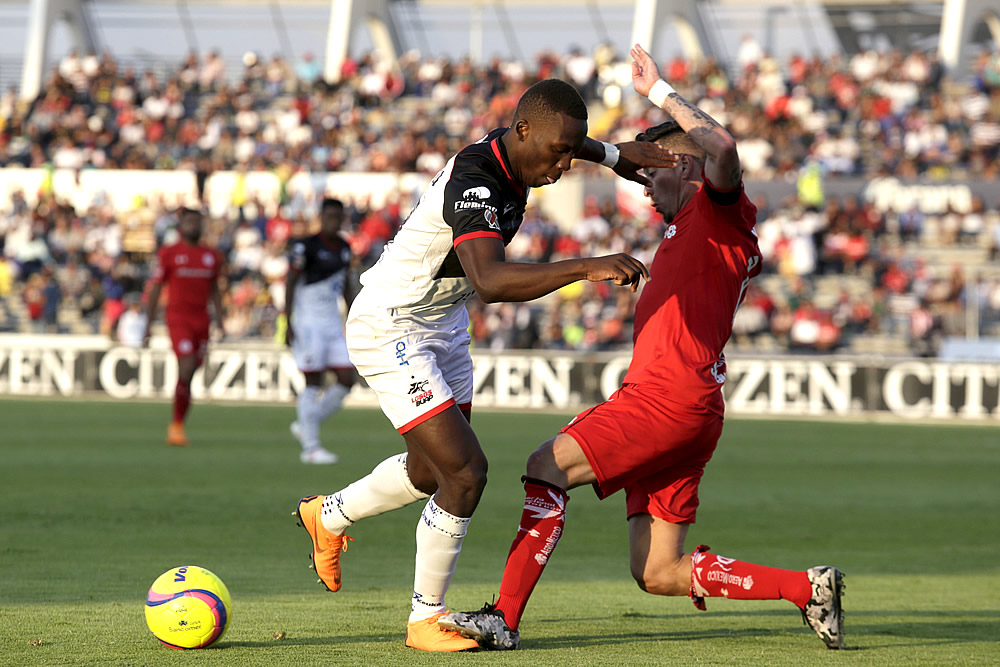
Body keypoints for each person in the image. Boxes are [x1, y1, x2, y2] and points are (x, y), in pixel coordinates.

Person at [438, 44, 845, 652]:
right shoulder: (686, 233)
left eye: (652, 171)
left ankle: (504, 619)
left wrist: (660, 94)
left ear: (685, 166)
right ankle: (806, 588)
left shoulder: (718, 215)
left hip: (666, 401)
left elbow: (726, 149)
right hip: (691, 408)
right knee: (656, 572)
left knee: (545, 465)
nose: (644, 186)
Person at [292, 78, 675, 653]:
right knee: (466, 474)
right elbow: (491, 282)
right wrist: (586, 265)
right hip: (392, 324)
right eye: (558, 151)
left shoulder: (530, 149)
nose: (566, 162)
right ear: (521, 131)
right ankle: (426, 618)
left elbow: (565, 136)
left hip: (442, 325)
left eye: (574, 150)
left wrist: (615, 156)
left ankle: (329, 515)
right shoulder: (476, 179)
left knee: (430, 475)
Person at [144, 207, 226, 446]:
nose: (193, 225)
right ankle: (176, 425)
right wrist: (148, 324)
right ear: (181, 225)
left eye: (196, 222)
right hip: (178, 318)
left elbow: (215, 290)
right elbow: (157, 287)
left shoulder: (211, 256)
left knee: (190, 373)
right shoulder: (169, 253)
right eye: (188, 221)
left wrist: (220, 319)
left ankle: (179, 421)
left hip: (202, 320)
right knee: (187, 365)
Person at [285, 197, 356, 464]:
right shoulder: (306, 246)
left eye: (338, 217)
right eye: (329, 216)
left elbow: (347, 286)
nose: (333, 221)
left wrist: (354, 317)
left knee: (346, 379)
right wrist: (288, 320)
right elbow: (291, 281)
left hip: (332, 324)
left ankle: (306, 424)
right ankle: (311, 448)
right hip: (309, 324)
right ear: (321, 217)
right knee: (313, 381)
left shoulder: (345, 248)